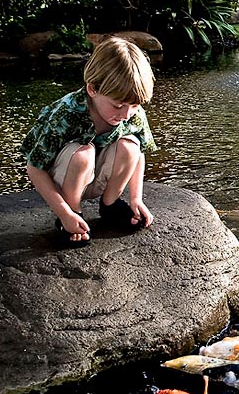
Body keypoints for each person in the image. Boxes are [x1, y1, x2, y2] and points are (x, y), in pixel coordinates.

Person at [20, 36, 157, 247]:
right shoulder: (66, 113)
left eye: (135, 105)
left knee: (131, 146)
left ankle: (110, 204)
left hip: (98, 178)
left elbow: (139, 155)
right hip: (65, 177)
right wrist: (64, 212)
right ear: (92, 89)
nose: (127, 114)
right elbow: (34, 168)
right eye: (118, 105)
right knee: (83, 154)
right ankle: (72, 215)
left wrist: (136, 198)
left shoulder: (131, 112)